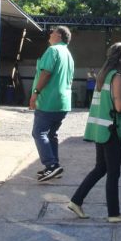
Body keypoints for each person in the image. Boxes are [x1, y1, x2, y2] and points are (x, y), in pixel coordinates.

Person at [68, 43, 121, 223]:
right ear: (120, 58)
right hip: (111, 131)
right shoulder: (116, 77)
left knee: (101, 168)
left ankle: (76, 201)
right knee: (113, 173)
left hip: (100, 129)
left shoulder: (102, 76)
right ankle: (114, 213)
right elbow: (119, 107)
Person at [30, 26, 75, 182]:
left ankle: (51, 165)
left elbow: (46, 73)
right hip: (63, 103)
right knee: (51, 134)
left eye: (53, 32)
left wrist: (35, 93)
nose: (50, 34)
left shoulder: (53, 50)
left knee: (39, 132)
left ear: (60, 36)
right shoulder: (68, 54)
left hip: (49, 101)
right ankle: (55, 166)